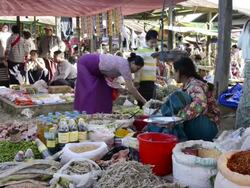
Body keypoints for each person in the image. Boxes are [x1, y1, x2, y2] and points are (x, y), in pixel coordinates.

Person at [153, 57, 219, 141]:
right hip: (202, 125)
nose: (173, 74)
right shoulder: (187, 85)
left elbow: (200, 105)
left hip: (207, 127)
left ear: (181, 71)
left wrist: (178, 118)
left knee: (178, 96)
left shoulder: (195, 85)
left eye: (175, 71)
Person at [74, 53, 146, 114]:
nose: (136, 71)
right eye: (137, 68)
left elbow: (109, 78)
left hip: (98, 70)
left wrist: (119, 88)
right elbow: (131, 88)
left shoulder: (123, 64)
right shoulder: (125, 66)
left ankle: (104, 113)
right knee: (89, 91)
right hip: (86, 63)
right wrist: (144, 101)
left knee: (105, 91)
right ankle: (86, 113)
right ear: (132, 63)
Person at [135, 30, 158, 108]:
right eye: (152, 42)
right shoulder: (141, 50)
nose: (154, 44)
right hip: (143, 82)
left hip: (151, 82)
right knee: (143, 104)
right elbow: (137, 66)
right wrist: (137, 81)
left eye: (155, 42)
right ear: (146, 40)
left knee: (149, 104)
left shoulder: (153, 50)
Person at [236, 19, 250, 128]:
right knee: (247, 102)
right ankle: (244, 131)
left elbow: (239, 44)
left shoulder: (247, 23)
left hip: (248, 64)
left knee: (246, 100)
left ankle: (241, 131)